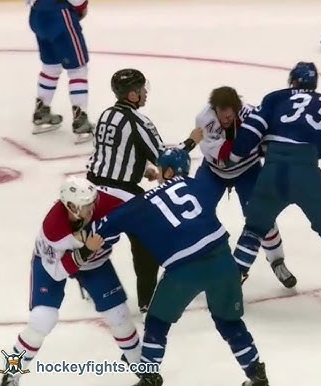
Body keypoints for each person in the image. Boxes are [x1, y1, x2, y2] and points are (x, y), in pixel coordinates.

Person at [92, 148, 270, 386]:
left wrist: (86, 238)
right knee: (229, 321)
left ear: (166, 170)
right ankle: (256, 373)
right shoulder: (195, 184)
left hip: (185, 269)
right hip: (223, 259)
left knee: (157, 322)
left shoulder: (142, 203)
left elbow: (106, 226)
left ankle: (149, 376)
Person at [227, 62, 321, 315]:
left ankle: (230, 284)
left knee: (253, 230)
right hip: (306, 171)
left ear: (292, 80)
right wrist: (306, 154)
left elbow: (253, 128)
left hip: (273, 169)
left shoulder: (275, 97)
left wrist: (237, 154)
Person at [0, 177, 140, 386]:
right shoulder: (53, 228)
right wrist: (86, 250)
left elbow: (144, 204)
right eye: (86, 205)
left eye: (93, 201)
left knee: (119, 316)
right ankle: (12, 372)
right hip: (53, 264)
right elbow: (58, 272)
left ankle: (143, 368)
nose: (93, 207)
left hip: (95, 263)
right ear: (71, 206)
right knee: (42, 319)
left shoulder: (108, 199)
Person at [84, 68, 203, 315]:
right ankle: (148, 300)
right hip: (122, 194)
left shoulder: (106, 114)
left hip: (93, 190)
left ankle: (87, 282)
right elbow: (165, 157)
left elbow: (111, 154)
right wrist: (192, 141)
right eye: (141, 90)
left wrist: (139, 171)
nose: (145, 93)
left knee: (94, 240)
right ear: (132, 94)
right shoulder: (138, 120)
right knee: (149, 241)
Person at [195, 86, 296, 288]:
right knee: (195, 212)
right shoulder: (204, 118)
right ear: (214, 109)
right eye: (221, 115)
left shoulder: (251, 115)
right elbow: (223, 153)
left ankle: (277, 261)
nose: (225, 120)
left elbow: (269, 140)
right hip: (214, 171)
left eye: (229, 116)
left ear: (237, 108)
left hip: (248, 171)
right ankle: (197, 265)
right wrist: (252, 144)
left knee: (261, 216)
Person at [27, 0, 95, 144]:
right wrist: (81, 6)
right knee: (78, 70)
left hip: (37, 15)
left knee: (51, 67)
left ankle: (42, 111)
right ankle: (81, 120)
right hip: (60, 15)